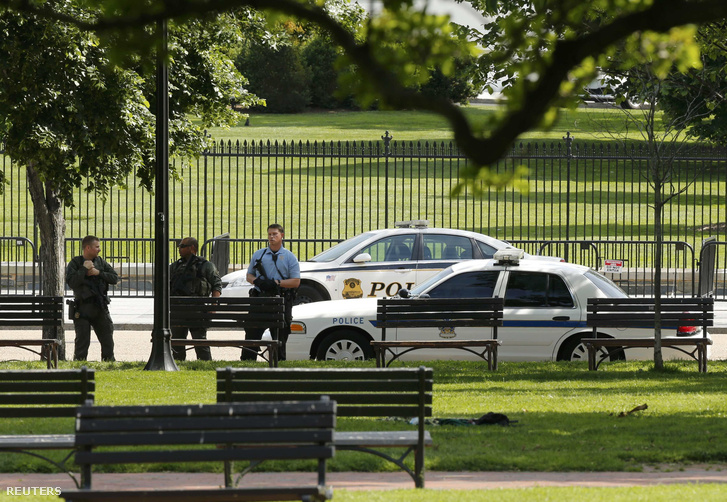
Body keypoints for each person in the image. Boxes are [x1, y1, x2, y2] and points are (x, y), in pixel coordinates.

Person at [242, 224, 300, 361]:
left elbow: (296, 281)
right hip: (260, 300)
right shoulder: (259, 254)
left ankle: (279, 362)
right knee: (252, 333)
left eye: (275, 234)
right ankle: (248, 361)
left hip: (281, 299)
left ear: (282, 236)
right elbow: (249, 276)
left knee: (280, 335)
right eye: (269, 234)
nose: (272, 237)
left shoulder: (289, 257)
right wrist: (257, 282)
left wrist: (276, 283)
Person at [66, 235, 118, 361]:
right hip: (83, 308)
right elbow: (72, 282)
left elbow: (114, 278)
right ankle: (79, 365)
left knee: (107, 340)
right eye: (97, 247)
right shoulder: (75, 263)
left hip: (100, 307)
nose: (99, 249)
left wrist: (98, 273)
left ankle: (108, 362)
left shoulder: (100, 262)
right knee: (82, 342)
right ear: (88, 248)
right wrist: (84, 269)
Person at [169, 237, 222, 361]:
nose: (179, 249)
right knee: (177, 343)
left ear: (192, 248)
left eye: (182, 246)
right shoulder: (176, 266)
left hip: (197, 310)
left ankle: (205, 364)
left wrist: (213, 306)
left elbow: (216, 285)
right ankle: (178, 364)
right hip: (178, 310)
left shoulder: (206, 265)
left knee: (200, 342)